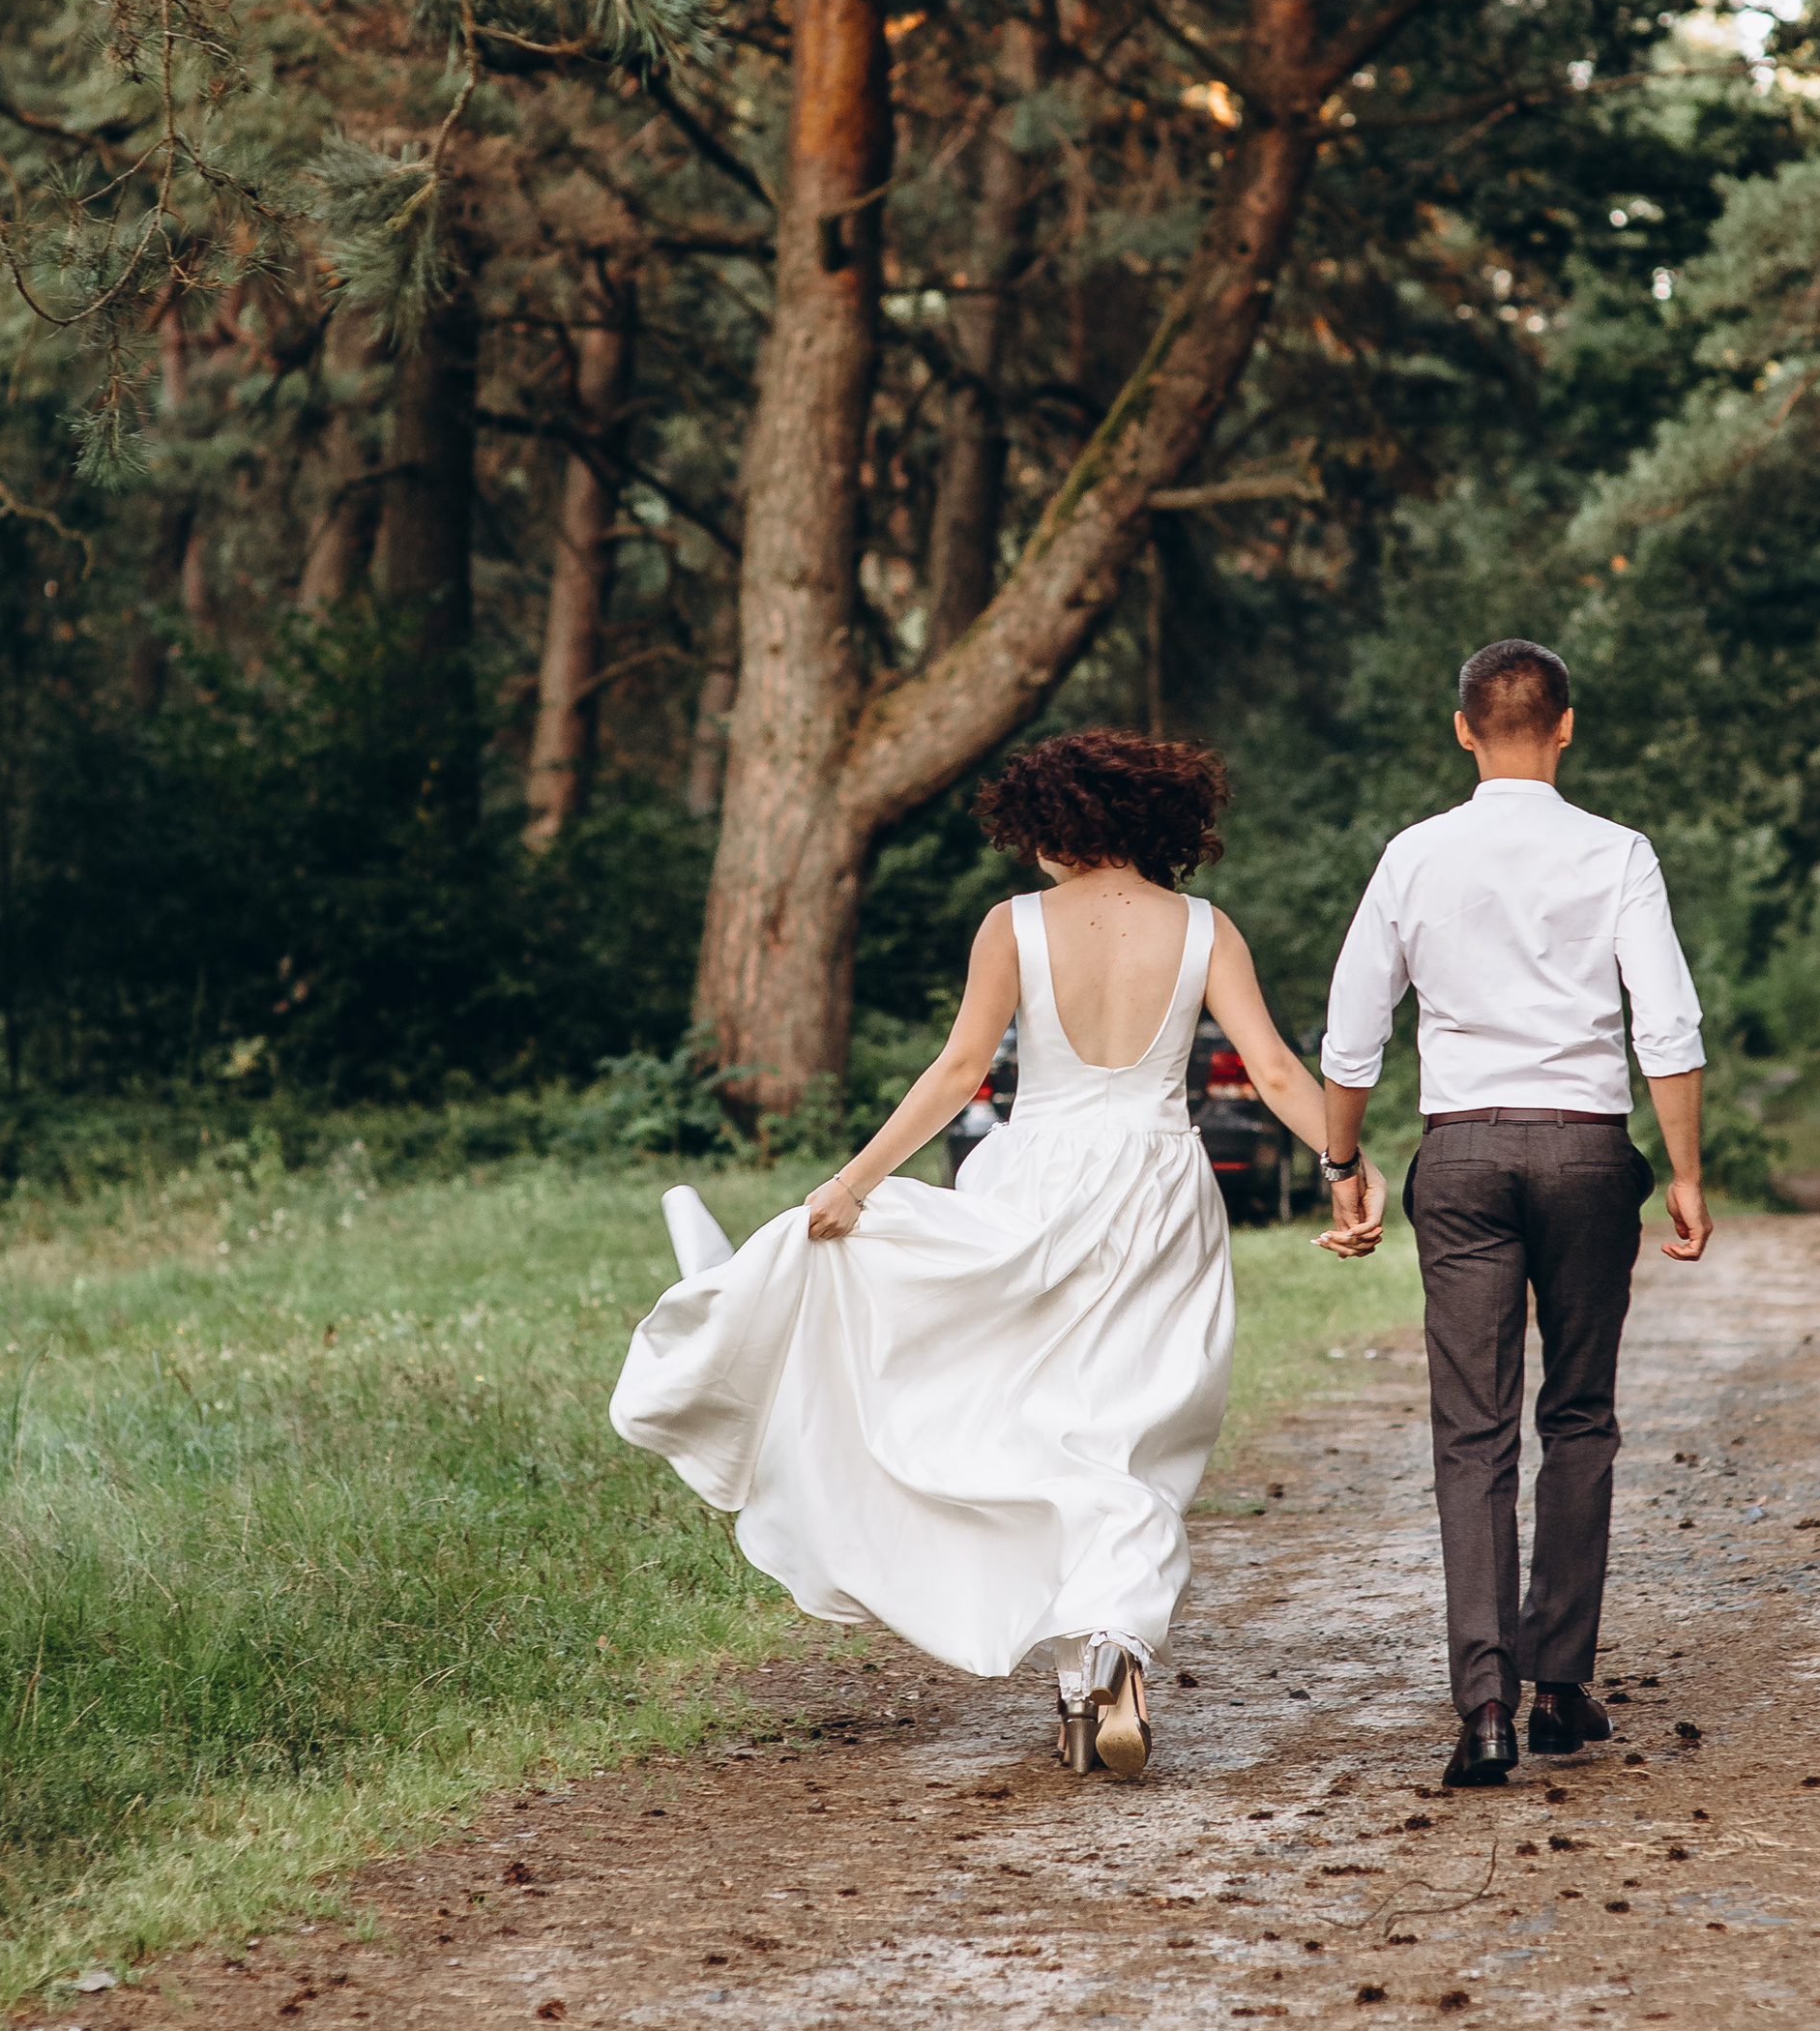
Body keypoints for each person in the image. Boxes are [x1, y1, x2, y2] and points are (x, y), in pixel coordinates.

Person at [609, 729, 1387, 1781]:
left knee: (1043, 1423)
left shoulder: (1013, 927)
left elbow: (956, 1071)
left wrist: (851, 1186)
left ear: (1054, 825)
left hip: (1040, 1183)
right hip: (1162, 1186)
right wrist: (1346, 1164)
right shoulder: (1205, 929)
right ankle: (1106, 1648)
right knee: (1133, 1429)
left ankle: (1084, 1674)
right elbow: (1282, 1074)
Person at [1315, 639, 1710, 1790]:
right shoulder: (1617, 853)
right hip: (1588, 1153)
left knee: (1471, 1432)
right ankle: (1558, 1684)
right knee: (1578, 1416)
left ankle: (1482, 1705)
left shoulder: (1413, 856)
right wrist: (1682, 1170)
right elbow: (1667, 1027)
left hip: (1464, 1151)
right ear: (1567, 727)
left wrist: (1342, 1157)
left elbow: (1352, 1030)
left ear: (1462, 731)